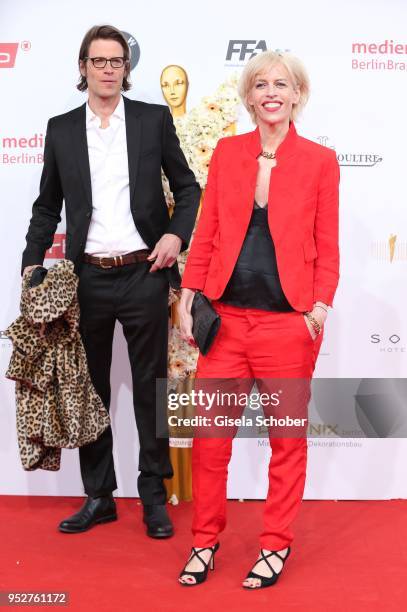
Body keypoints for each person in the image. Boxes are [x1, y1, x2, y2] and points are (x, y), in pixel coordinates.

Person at [21, 25, 200, 538]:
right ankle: (99, 496)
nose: (106, 68)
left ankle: (153, 496)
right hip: (86, 280)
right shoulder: (60, 129)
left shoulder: (152, 120)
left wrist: (175, 237)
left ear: (126, 67)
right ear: (83, 68)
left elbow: (186, 190)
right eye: (97, 61)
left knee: (151, 388)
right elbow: (44, 207)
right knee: (89, 390)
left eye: (115, 60)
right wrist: (31, 264)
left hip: (145, 272)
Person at [178, 50, 340, 587]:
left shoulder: (320, 160)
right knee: (209, 443)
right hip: (223, 324)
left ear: (298, 95)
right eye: (261, 84)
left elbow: (327, 246)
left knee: (287, 443)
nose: (272, 91)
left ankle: (275, 545)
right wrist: (187, 293)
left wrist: (316, 311)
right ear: (249, 97)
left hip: (285, 327)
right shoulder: (227, 152)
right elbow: (205, 235)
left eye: (283, 84)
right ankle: (204, 541)